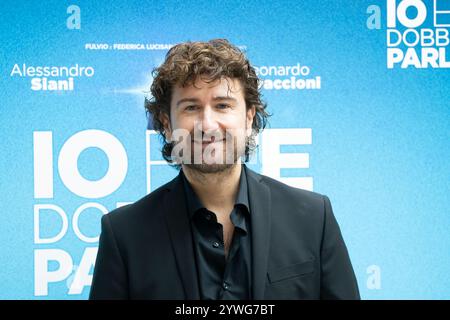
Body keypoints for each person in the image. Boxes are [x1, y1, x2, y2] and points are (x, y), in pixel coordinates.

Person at [89, 39, 360, 300]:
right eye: (191, 107)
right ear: (167, 124)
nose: (207, 124)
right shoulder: (124, 234)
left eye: (222, 105)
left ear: (248, 117)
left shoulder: (313, 219)